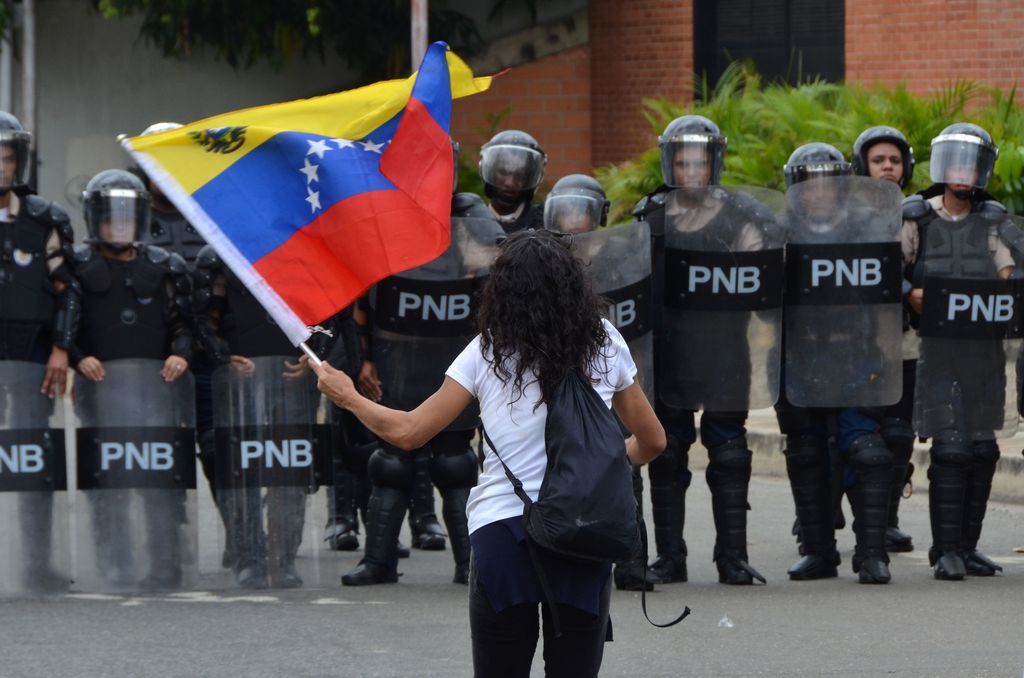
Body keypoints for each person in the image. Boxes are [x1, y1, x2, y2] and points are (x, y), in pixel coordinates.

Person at [314, 228, 665, 677]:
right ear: (575, 285)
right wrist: (602, 466)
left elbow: (409, 433)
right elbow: (652, 441)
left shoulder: (486, 351)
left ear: (503, 290)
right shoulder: (605, 342)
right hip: (584, 531)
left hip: (504, 532)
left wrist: (347, 396)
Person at [626, 115, 780, 588]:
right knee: (667, 454)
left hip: (725, 351)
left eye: (700, 159)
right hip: (668, 352)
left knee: (730, 453)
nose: (691, 168)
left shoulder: (742, 216)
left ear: (714, 161)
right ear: (670, 161)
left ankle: (732, 557)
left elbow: (764, 283)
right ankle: (671, 557)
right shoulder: (649, 215)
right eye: (682, 159)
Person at [342, 191, 503, 586]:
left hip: (452, 355)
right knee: (390, 461)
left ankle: (472, 564)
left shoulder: (469, 212)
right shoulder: (387, 211)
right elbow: (363, 295)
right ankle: (379, 561)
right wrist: (362, 358)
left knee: (454, 463)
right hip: (397, 357)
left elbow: (496, 261)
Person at [776, 143, 902, 584]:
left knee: (866, 451)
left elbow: (890, 287)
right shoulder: (780, 233)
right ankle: (817, 552)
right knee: (807, 453)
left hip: (856, 355)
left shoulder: (869, 225)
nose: (819, 192)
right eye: (810, 184)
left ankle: (872, 553)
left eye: (828, 183)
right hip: (802, 356)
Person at [70, 169, 193, 589]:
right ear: (94, 220)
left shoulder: (166, 266)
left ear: (140, 218)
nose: (118, 225)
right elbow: (64, 327)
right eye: (109, 217)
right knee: (108, 485)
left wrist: (181, 353)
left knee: (160, 484)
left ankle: (165, 563)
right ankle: (115, 564)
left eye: (126, 217)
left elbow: (185, 324)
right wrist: (79, 358)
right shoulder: (78, 266)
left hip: (155, 394)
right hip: (101, 394)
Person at [902, 122, 1012, 580]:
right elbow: (886, 269)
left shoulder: (993, 220)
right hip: (934, 350)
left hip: (983, 350)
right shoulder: (917, 217)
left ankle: (967, 548)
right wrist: (909, 292)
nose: (964, 172)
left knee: (983, 448)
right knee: (949, 448)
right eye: (958, 162)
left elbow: (1010, 272)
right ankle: (944, 550)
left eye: (972, 163)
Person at [0, 110, 77, 592]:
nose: (0, 167)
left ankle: (36, 563)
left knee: (31, 459)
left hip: (31, 356)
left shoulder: (45, 219)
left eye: (7, 158)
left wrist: (61, 349)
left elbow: (67, 289)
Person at [852, 126, 918, 553]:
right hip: (853, 343)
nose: (888, 167)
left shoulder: (917, 216)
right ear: (863, 167)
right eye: (879, 160)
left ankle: (886, 520)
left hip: (904, 342)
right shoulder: (845, 214)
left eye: (894, 160)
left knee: (897, 434)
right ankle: (816, 523)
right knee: (849, 436)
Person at [479, 130, 547, 233]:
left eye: (520, 176)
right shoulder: (471, 220)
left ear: (530, 177)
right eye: (502, 172)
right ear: (490, 171)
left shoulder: (544, 224)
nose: (509, 183)